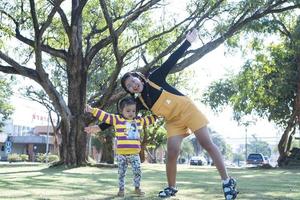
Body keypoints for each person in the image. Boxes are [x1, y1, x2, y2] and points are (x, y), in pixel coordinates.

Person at [120, 29, 238, 199]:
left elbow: (171, 60)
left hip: (187, 110)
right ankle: (171, 187)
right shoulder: (140, 103)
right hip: (173, 121)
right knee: (172, 152)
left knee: (206, 143)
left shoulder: (155, 78)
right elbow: (123, 116)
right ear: (129, 91)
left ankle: (227, 182)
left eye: (133, 81)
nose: (133, 85)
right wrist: (99, 125)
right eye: (129, 86)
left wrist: (188, 42)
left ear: (139, 78)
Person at [85, 97, 156, 197]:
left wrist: (158, 115)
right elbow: (105, 116)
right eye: (128, 111)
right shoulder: (117, 120)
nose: (131, 113)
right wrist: (92, 110)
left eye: (133, 111)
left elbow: (150, 119)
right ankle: (121, 190)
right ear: (121, 111)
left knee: (137, 171)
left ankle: (137, 188)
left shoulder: (139, 121)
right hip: (122, 154)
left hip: (135, 154)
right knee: (121, 173)